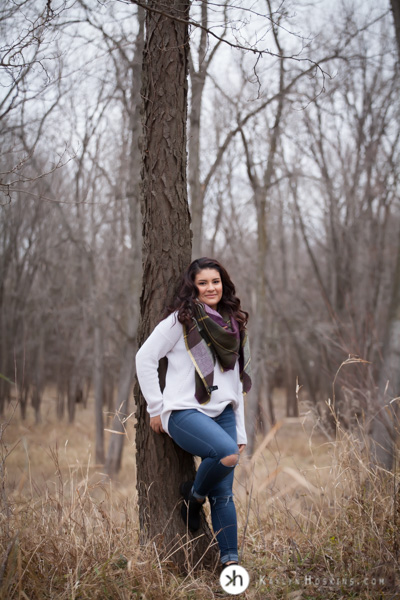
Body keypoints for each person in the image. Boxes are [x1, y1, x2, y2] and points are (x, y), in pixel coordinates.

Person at [135, 257, 251, 568]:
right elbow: (144, 359)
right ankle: (194, 497)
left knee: (224, 495)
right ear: (193, 287)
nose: (211, 287)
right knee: (227, 455)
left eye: (215, 281)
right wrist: (156, 408)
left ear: (223, 284)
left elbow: (234, 382)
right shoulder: (180, 321)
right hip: (185, 412)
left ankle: (230, 565)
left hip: (224, 412)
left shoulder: (232, 324)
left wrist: (240, 429)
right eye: (203, 283)